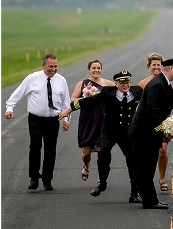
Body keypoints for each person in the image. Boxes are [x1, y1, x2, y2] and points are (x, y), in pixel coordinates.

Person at [61, 70, 142, 203]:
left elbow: (150, 101)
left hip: (127, 132)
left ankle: (134, 192)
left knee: (132, 159)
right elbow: (90, 100)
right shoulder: (107, 92)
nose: (125, 85)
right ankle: (101, 184)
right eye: (122, 83)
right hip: (109, 130)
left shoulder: (137, 91)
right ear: (116, 84)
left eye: (127, 82)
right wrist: (70, 109)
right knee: (103, 152)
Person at [5, 54, 71, 191]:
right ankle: (34, 178)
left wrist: (66, 119)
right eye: (50, 66)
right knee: (35, 145)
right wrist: (9, 108)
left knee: (50, 149)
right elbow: (17, 94)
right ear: (43, 66)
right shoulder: (32, 78)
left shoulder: (61, 81)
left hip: (53, 120)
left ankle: (47, 180)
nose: (53, 69)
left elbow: (66, 103)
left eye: (55, 66)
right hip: (36, 119)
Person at [128, 57, 173, 210]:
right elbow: (153, 112)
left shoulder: (163, 82)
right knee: (145, 167)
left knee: (148, 167)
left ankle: (150, 199)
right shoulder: (158, 84)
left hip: (150, 132)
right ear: (171, 69)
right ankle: (149, 201)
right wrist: (167, 128)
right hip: (144, 133)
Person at [138, 53, 173, 195]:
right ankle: (144, 189)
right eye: (154, 64)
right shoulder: (147, 83)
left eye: (158, 64)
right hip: (153, 124)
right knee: (149, 156)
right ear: (149, 67)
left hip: (161, 122)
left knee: (162, 150)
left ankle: (162, 179)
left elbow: (167, 101)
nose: (156, 67)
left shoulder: (164, 82)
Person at [70, 60, 115, 186]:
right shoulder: (82, 84)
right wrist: (87, 97)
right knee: (86, 153)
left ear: (101, 69)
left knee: (102, 152)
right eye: (93, 68)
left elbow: (118, 94)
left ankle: (101, 178)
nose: (96, 70)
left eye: (98, 68)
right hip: (88, 120)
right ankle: (87, 165)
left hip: (103, 120)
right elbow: (73, 100)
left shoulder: (108, 84)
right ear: (89, 70)